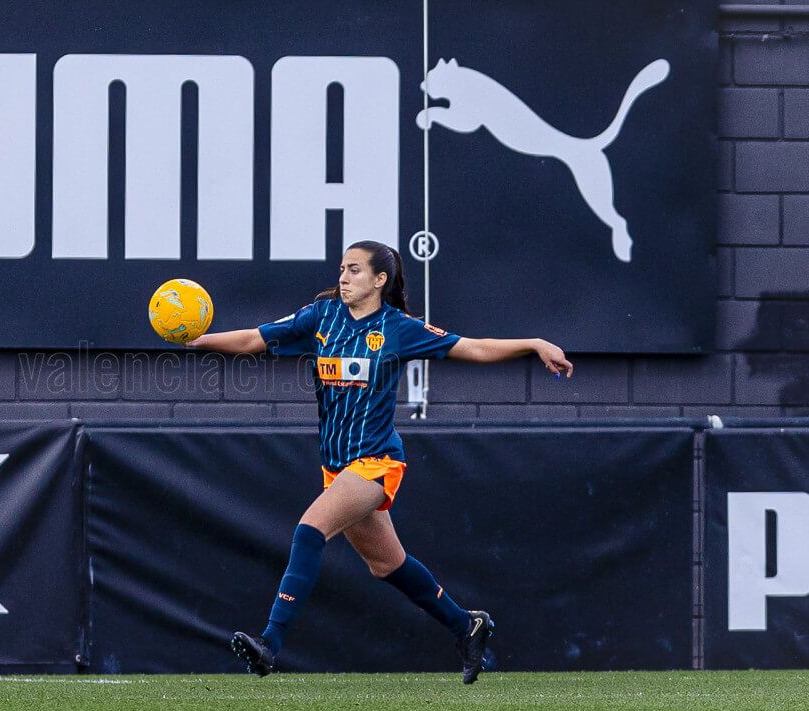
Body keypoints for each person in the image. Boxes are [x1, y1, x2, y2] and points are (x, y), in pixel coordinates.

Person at [188, 240, 574, 684]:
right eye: (341, 268)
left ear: (379, 280)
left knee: (310, 531)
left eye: (354, 270)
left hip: (376, 461)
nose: (344, 277)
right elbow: (253, 339)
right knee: (387, 565)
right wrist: (198, 339)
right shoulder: (321, 316)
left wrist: (533, 343)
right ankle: (466, 624)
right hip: (337, 466)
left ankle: (270, 643)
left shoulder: (397, 327)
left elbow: (473, 347)